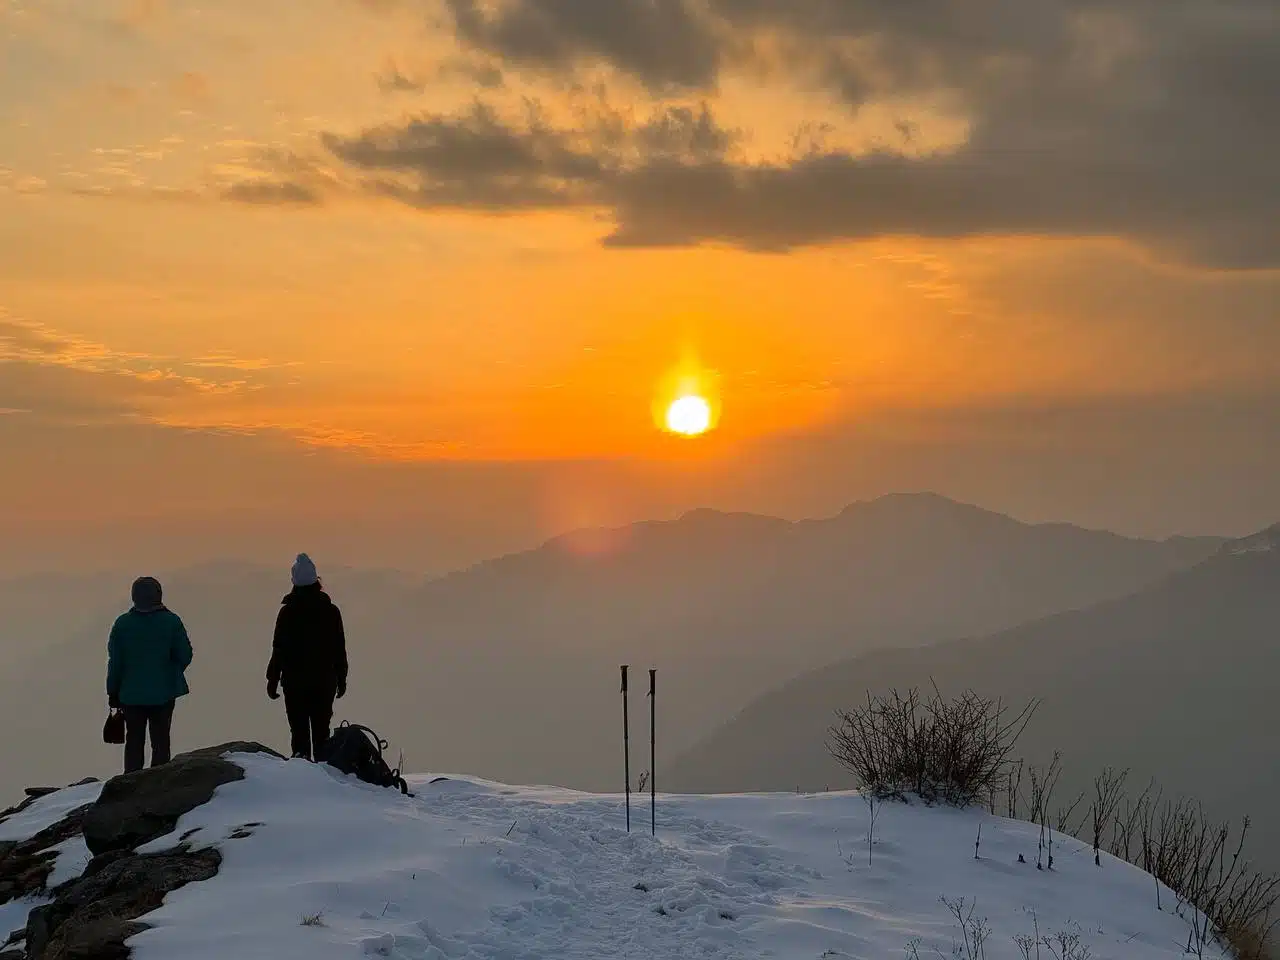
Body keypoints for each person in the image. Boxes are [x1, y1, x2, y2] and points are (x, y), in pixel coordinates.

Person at [106, 576, 194, 774]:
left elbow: (115, 663)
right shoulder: (171, 621)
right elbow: (185, 655)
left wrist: (112, 691)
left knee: (134, 742)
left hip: (130, 693)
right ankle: (159, 783)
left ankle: (131, 781)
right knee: (161, 741)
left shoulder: (123, 624)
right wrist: (170, 671)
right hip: (164, 691)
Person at [266, 553, 348, 761]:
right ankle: (324, 774)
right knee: (322, 733)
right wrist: (341, 677)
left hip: (294, 683)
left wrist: (272, 679)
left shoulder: (287, 613)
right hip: (324, 682)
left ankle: (302, 774)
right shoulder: (330, 611)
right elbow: (339, 647)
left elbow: (279, 649)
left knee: (299, 733)